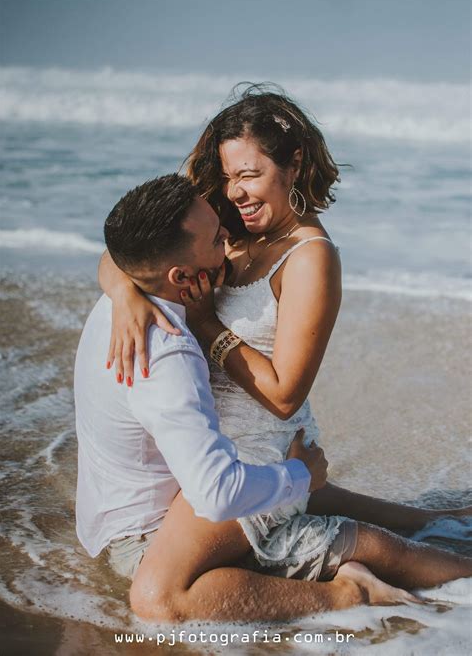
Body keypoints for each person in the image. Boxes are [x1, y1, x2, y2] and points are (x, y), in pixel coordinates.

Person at [98, 88, 471, 621]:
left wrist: (206, 325)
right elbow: (126, 249)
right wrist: (122, 293)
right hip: (205, 443)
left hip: (262, 449)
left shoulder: (310, 258)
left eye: (249, 174)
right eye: (228, 176)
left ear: (293, 164)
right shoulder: (222, 228)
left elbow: (283, 393)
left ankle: (367, 580)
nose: (236, 191)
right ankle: (425, 518)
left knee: (160, 594)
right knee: (380, 517)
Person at [77, 173, 407, 624]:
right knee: (344, 540)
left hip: (112, 515)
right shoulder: (167, 350)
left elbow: (117, 257)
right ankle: (349, 594)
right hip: (149, 542)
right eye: (217, 238)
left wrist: (117, 288)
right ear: (180, 276)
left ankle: (432, 524)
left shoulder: (122, 299)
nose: (229, 238)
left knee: (332, 510)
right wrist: (296, 476)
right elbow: (215, 494)